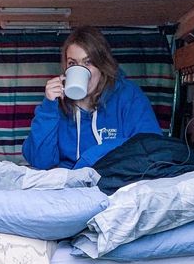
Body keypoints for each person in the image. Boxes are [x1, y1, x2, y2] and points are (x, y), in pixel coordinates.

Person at [22, 27, 162, 169]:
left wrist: (89, 159)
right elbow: (40, 161)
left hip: (114, 180)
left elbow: (150, 147)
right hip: (68, 185)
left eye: (87, 62)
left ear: (102, 65)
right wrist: (48, 107)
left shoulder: (128, 95)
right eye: (72, 63)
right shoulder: (57, 104)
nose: (79, 69)